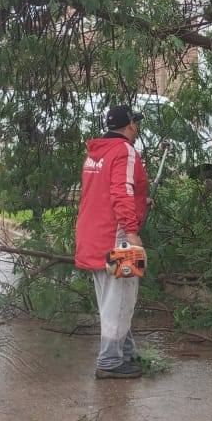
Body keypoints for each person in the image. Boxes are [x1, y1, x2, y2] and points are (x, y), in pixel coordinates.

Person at [75, 104, 150, 379]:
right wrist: (132, 231)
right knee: (122, 297)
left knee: (113, 298)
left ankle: (125, 353)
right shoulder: (125, 151)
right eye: (136, 123)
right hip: (117, 237)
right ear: (130, 125)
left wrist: (141, 202)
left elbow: (108, 191)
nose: (137, 127)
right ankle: (109, 361)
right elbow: (121, 190)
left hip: (93, 235)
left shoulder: (96, 154)